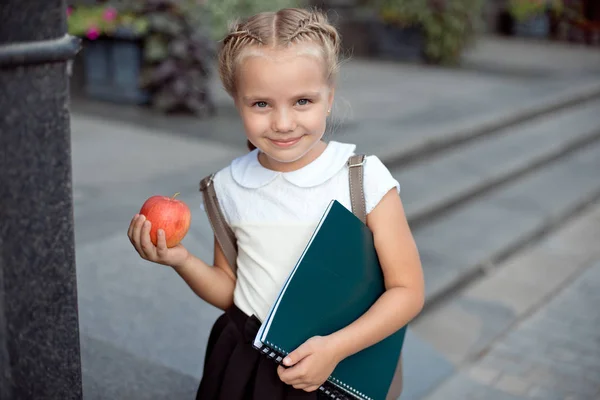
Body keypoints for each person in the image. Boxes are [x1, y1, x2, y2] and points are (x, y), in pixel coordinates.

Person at [127, 7, 424, 400]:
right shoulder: (228, 186)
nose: (283, 123)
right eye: (261, 104)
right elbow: (230, 292)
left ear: (329, 97)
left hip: (337, 365)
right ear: (237, 102)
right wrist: (181, 260)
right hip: (246, 366)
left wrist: (335, 349)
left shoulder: (362, 180)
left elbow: (408, 290)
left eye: (303, 101)